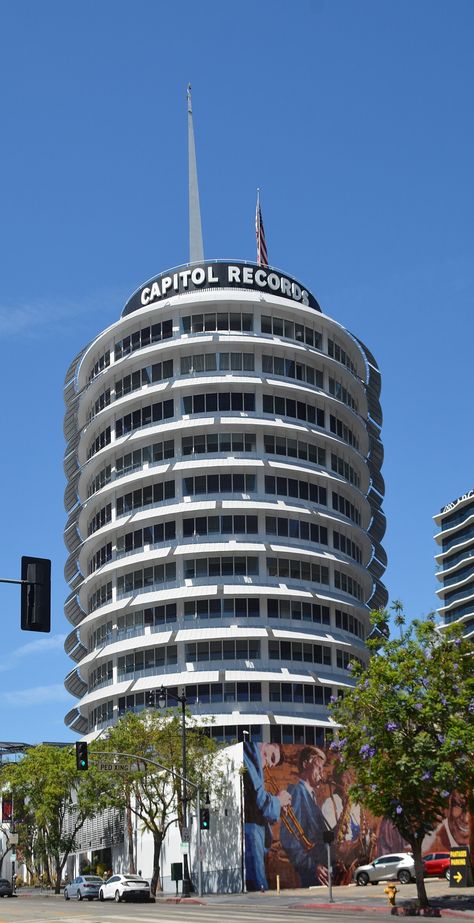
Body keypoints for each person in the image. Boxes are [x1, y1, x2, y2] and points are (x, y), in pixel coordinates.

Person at [244, 741, 291, 891]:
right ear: (264, 745)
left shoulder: (254, 760)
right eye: (272, 757)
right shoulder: (249, 755)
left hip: (254, 829)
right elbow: (259, 799)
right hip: (250, 829)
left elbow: (258, 803)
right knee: (259, 882)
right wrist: (279, 801)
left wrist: (277, 804)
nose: (270, 765)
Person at [280, 745, 330, 887]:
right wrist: (313, 867)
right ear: (305, 764)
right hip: (312, 875)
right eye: (319, 767)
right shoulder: (297, 792)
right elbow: (288, 839)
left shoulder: (310, 795)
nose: (322, 773)